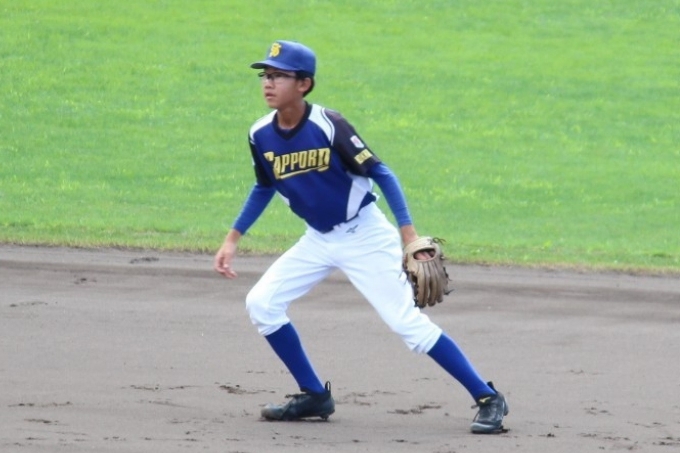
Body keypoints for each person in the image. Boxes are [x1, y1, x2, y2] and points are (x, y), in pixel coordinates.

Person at [213, 40, 509, 434]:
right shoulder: (260, 134)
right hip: (317, 240)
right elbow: (264, 186)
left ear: (304, 84)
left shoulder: (329, 124)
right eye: (265, 75)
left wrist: (408, 235)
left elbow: (382, 173)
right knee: (262, 303)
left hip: (364, 234)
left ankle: (488, 398)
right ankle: (314, 395)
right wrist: (233, 238)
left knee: (406, 324)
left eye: (278, 76)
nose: (268, 83)